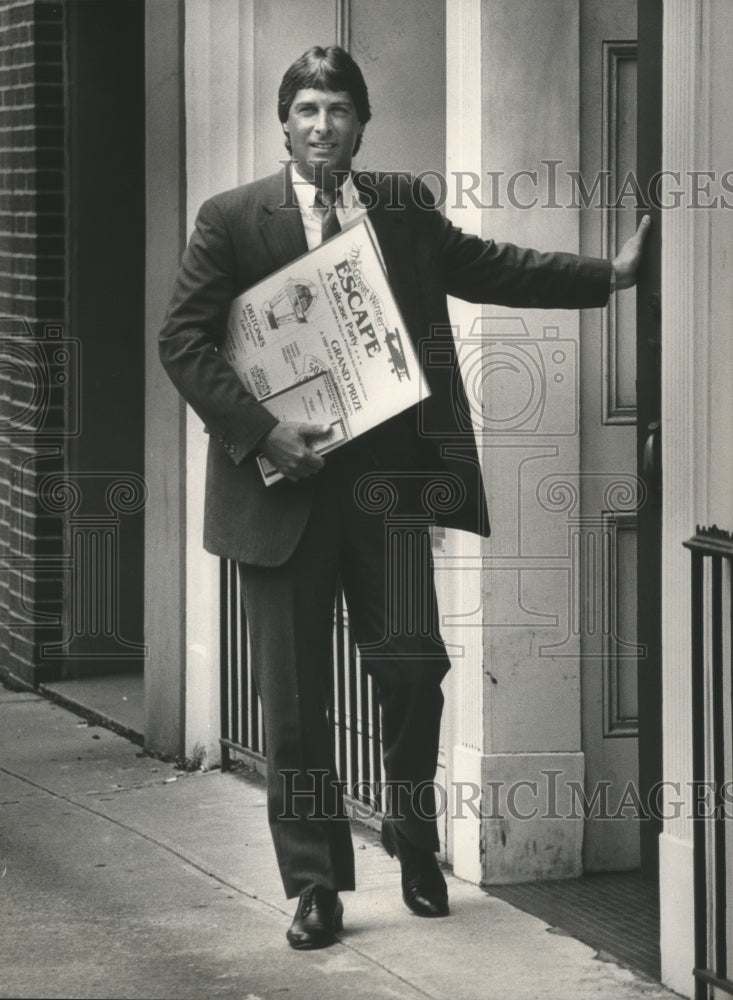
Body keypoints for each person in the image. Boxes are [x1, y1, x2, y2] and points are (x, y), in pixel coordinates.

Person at [159, 44, 649, 951]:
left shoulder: (401, 207)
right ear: (283, 123)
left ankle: (413, 840)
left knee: (414, 673)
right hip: (278, 496)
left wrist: (606, 278)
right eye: (306, 109)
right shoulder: (229, 220)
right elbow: (183, 343)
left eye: (338, 110)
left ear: (360, 124)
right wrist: (263, 431)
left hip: (384, 493)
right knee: (297, 707)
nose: (321, 126)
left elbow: (488, 265)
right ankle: (313, 886)